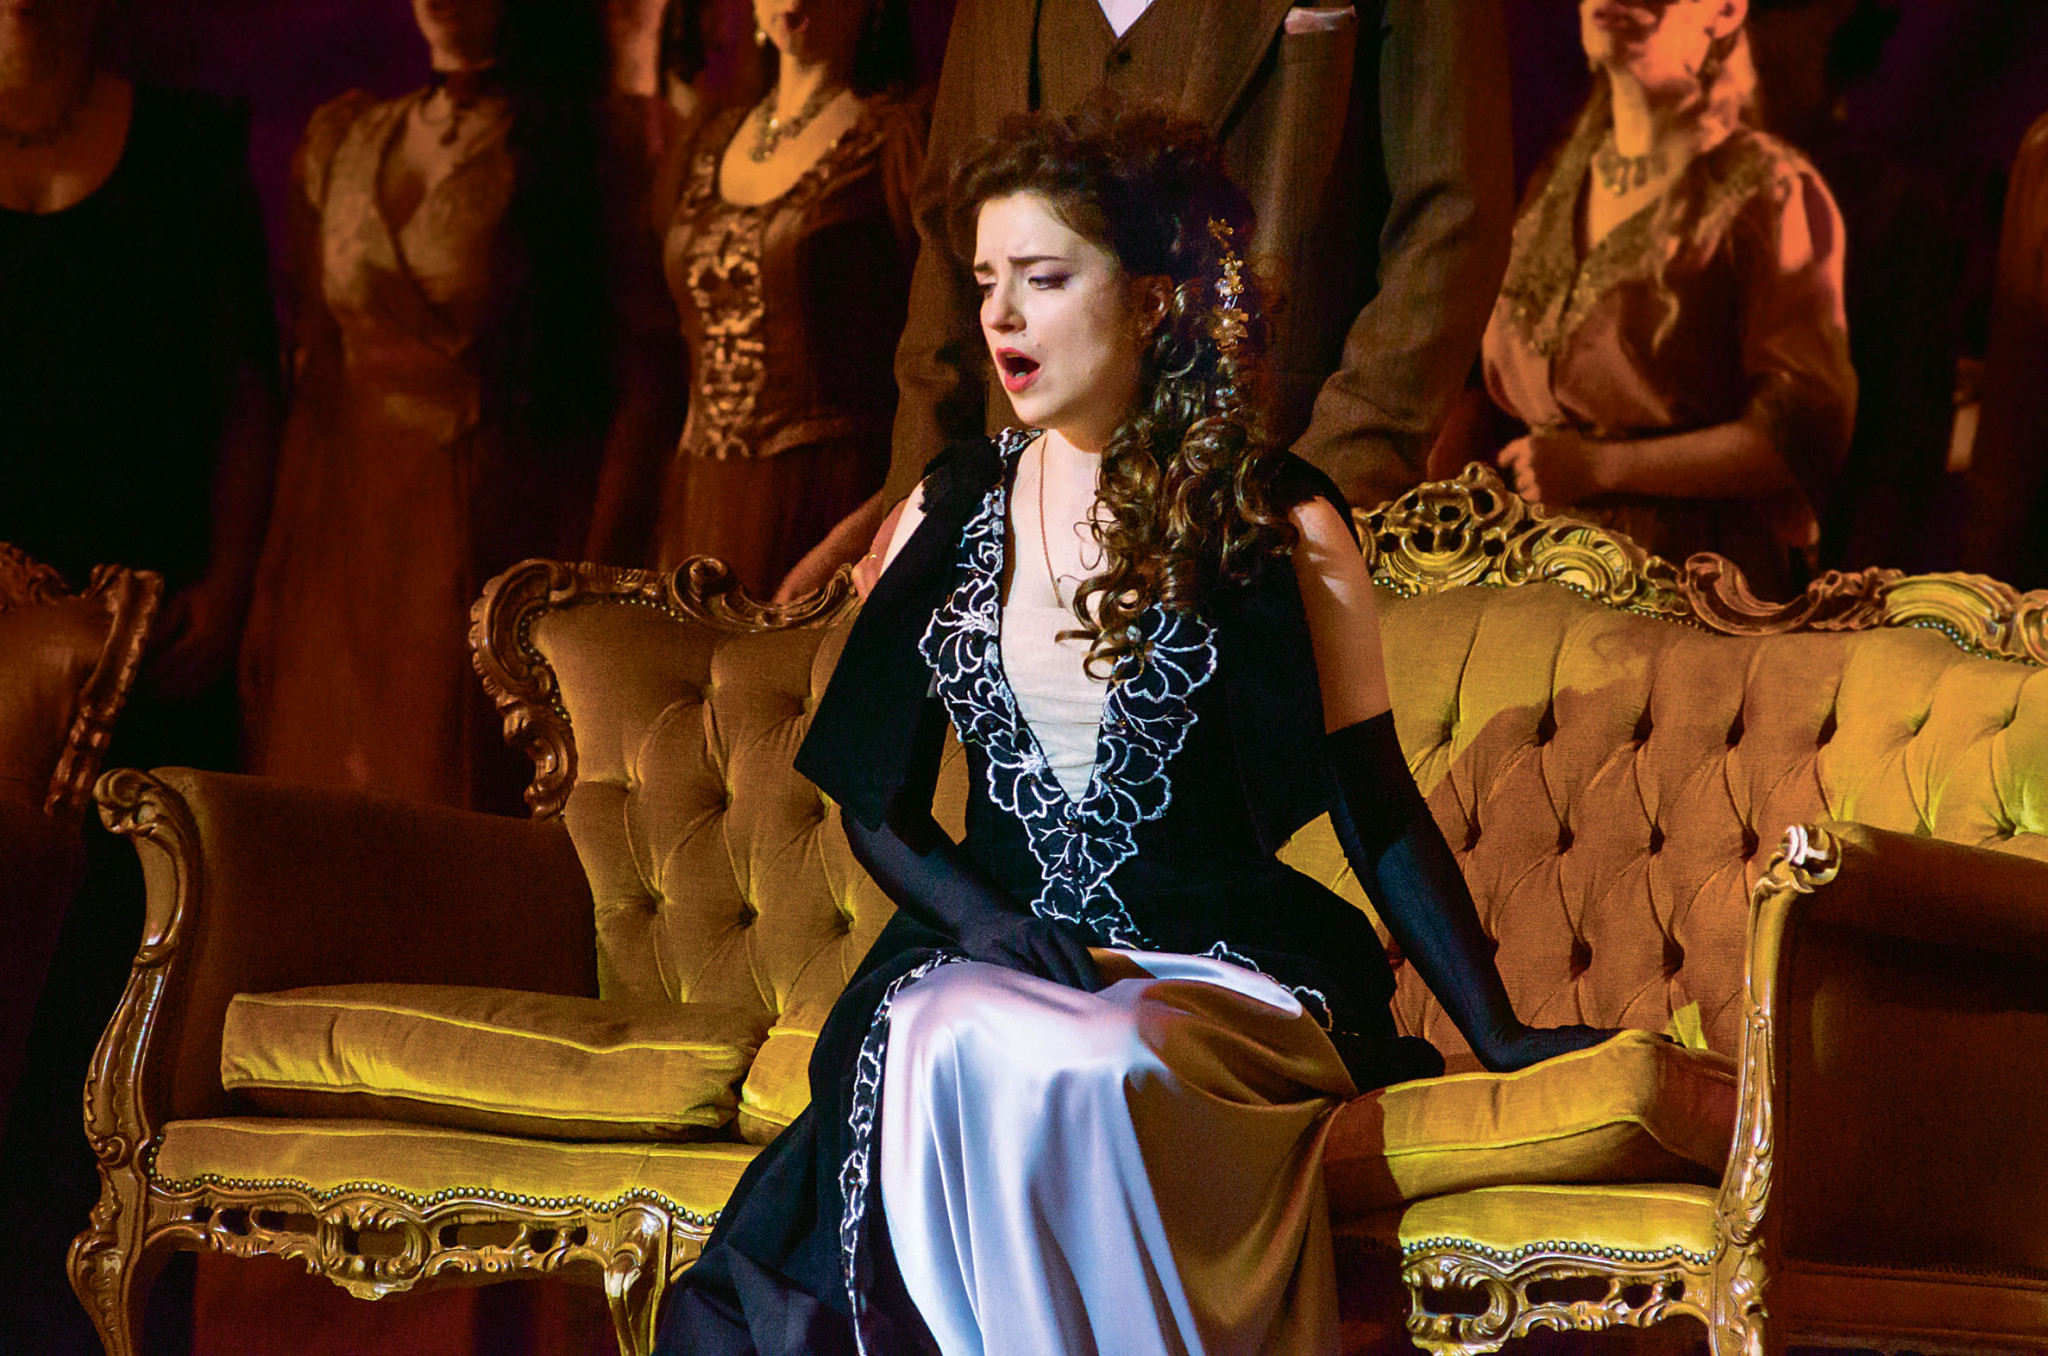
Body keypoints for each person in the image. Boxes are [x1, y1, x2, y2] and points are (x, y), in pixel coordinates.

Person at [656, 106, 1614, 1356]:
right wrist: (983, 924)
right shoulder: (952, 510)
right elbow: (872, 801)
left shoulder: (1277, 522)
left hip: (1211, 975)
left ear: (1155, 299)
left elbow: (1373, 800)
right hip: (995, 960)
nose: (1001, 316)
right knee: (940, 1027)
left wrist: (1496, 1031)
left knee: (1102, 1054)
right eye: (986, 282)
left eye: (1043, 279)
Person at [770, 0, 1519, 602]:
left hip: (1263, 508)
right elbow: (948, 244)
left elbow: (1450, 217)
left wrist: (1322, 493)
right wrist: (923, 497)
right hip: (1005, 546)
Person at [0, 1, 280, 1349]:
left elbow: (247, 387)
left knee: (126, 1046)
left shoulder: (186, 146)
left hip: (159, 646)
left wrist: (230, 584)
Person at [239, 0, 615, 813]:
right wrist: (275, 574)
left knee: (432, 800)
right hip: (337, 541)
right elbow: (316, 369)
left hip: (472, 524)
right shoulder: (348, 135)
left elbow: (609, 381)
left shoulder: (568, 149)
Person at [1482, 0, 1856, 601]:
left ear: (1724, 12)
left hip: (1693, 585)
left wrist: (1598, 468)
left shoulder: (1773, 190)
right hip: (1543, 572)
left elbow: (1797, 437)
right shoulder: (1559, 181)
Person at [586, 0, 924, 595]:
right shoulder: (707, 139)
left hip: (830, 500)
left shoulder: (900, 137)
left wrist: (871, 529)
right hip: (698, 498)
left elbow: (945, 351)